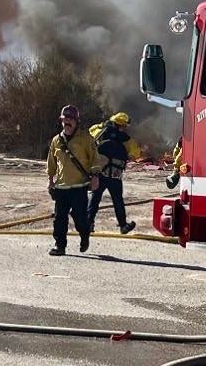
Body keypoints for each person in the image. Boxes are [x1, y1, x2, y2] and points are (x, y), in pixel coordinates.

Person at [45, 103, 101, 256]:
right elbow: (51, 162)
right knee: (59, 219)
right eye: (65, 120)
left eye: (70, 119)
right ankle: (60, 245)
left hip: (79, 186)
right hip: (62, 187)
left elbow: (95, 159)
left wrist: (95, 176)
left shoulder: (85, 139)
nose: (67, 123)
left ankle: (84, 235)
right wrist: (50, 181)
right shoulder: (57, 141)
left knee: (80, 218)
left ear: (77, 121)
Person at [88, 111, 143, 234]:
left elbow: (90, 132)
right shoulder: (126, 139)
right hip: (115, 176)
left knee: (95, 198)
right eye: (124, 126)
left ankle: (89, 223)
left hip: (100, 173)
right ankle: (123, 226)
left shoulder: (100, 132)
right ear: (121, 125)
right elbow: (135, 153)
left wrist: (101, 125)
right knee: (118, 200)